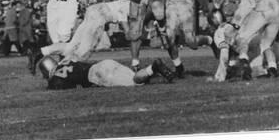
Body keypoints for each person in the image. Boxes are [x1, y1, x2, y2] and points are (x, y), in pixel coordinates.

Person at [28, 0, 130, 73]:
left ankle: (39, 52)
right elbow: (123, 19)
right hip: (100, 15)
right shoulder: (132, 4)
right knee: (84, 52)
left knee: (71, 46)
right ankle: (60, 72)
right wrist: (129, 33)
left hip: (94, 10)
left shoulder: (128, 1)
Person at [36, 56, 175, 89]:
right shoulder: (66, 60)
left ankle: (154, 67)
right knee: (136, 79)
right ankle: (153, 70)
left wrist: (49, 86)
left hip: (97, 74)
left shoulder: (55, 77)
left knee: (135, 81)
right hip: (104, 63)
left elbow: (62, 85)